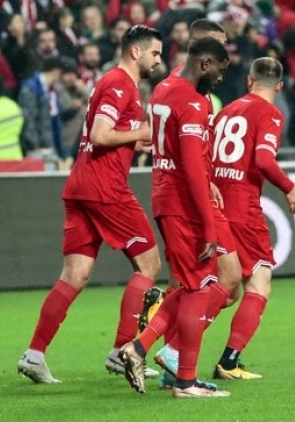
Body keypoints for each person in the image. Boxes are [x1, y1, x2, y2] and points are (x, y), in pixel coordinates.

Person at [17, 25, 164, 385]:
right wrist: (141, 133)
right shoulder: (120, 84)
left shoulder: (109, 82)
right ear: (136, 52)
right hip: (105, 188)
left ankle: (34, 354)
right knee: (149, 264)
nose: (158, 60)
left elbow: (105, 134)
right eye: (155, 53)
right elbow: (99, 135)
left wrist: (131, 142)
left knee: (75, 274)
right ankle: (121, 351)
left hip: (82, 186)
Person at [118, 36, 231, 399]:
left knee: (188, 286)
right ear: (204, 63)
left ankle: (139, 347)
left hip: (164, 195)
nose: (219, 79)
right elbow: (193, 168)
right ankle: (185, 381)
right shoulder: (192, 101)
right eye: (218, 70)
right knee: (199, 287)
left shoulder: (163, 88)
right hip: (183, 203)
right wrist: (209, 225)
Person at [143, 19, 243, 390]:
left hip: (189, 189)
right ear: (203, 52)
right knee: (218, 282)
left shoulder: (176, 87)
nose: (223, 60)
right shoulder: (188, 93)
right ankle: (171, 355)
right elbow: (186, 156)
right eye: (219, 47)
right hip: (188, 196)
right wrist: (205, 201)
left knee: (198, 285)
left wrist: (210, 179)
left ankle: (163, 355)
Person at [209, 57, 295, 380]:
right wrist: (289, 187)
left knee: (227, 289)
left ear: (249, 81)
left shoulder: (225, 111)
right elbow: (264, 160)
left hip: (214, 204)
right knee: (259, 282)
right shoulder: (270, 114)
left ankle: (167, 326)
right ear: (280, 87)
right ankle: (228, 361)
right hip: (242, 209)